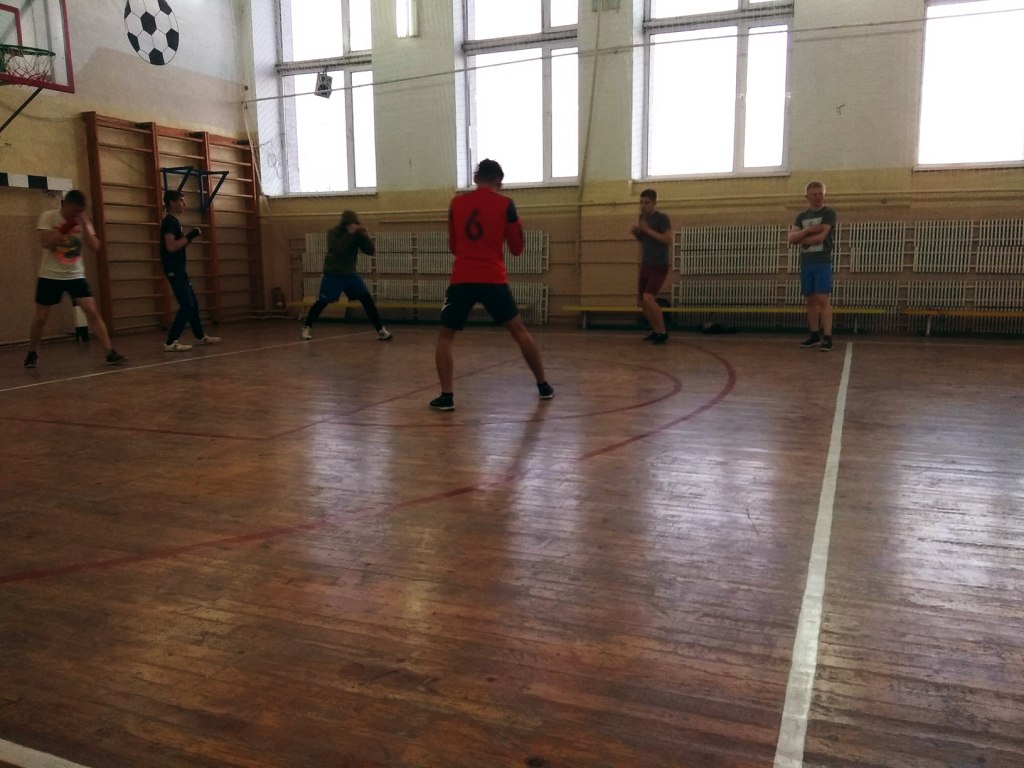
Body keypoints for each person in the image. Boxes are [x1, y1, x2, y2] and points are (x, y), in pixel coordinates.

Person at [429, 158, 553, 411]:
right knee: (519, 331)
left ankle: (447, 396)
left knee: (445, 337)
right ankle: (543, 386)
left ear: (476, 179)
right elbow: (517, 248)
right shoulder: (506, 205)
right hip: (493, 279)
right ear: (500, 182)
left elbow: (454, 246)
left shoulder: (456, 204)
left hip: (463, 278)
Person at [23, 190, 126, 368]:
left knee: (92, 311)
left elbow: (96, 247)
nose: (77, 214)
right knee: (41, 317)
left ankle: (110, 353)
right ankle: (32, 352)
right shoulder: (49, 217)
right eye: (74, 211)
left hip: (75, 275)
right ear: (66, 205)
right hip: (50, 275)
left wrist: (85, 227)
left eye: (80, 211)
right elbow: (46, 242)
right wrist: (67, 226)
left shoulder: (82, 220)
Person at [301, 210, 392, 342]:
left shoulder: (357, 234)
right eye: (351, 223)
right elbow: (338, 249)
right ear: (345, 224)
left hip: (349, 274)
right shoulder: (333, 233)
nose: (353, 226)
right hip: (333, 274)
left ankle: (380, 330)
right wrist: (350, 233)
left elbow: (370, 251)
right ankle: (307, 325)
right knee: (323, 301)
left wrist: (366, 236)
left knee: (366, 298)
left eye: (355, 223)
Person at [160, 190, 221, 351]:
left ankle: (200, 336)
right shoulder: (169, 222)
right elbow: (171, 246)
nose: (184, 204)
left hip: (179, 268)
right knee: (187, 304)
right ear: (172, 203)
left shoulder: (174, 221)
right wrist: (190, 236)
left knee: (193, 303)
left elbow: (178, 244)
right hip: (173, 269)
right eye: (181, 200)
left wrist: (188, 238)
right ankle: (171, 342)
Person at [788, 181, 837, 351]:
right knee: (810, 299)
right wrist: (808, 231)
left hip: (822, 261)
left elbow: (820, 238)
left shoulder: (828, 213)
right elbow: (791, 238)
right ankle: (814, 334)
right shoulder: (802, 217)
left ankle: (827, 337)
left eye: (820, 194)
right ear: (807, 196)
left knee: (822, 298)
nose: (818, 197)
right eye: (814, 194)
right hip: (806, 262)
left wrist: (802, 238)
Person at [630, 188, 673, 344]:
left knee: (649, 298)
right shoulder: (642, 218)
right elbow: (645, 240)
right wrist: (637, 233)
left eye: (646, 203)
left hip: (659, 264)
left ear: (654, 203)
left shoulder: (662, 218)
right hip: (646, 264)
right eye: (641, 202)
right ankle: (655, 331)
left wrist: (647, 229)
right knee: (642, 301)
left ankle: (663, 332)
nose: (643, 206)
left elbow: (668, 240)